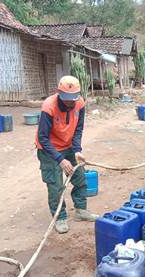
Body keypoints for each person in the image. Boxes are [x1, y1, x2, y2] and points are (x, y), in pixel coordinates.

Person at [36, 75, 98, 234]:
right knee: (55, 186)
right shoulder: (48, 107)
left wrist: (77, 149)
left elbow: (78, 129)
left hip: (69, 145)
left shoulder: (80, 103)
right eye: (67, 99)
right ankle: (60, 217)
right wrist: (60, 160)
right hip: (49, 149)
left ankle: (80, 210)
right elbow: (43, 138)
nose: (70, 103)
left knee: (80, 177)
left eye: (73, 99)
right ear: (59, 94)